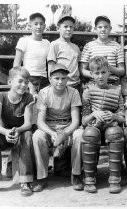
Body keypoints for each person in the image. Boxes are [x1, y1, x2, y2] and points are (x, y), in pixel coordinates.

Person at [32, 63, 83, 192]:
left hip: (67, 126)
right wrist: (51, 133)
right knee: (37, 136)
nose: (60, 81)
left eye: (63, 78)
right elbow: (40, 121)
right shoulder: (44, 93)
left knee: (80, 135)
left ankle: (76, 175)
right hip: (49, 126)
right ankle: (41, 177)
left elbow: (76, 120)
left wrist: (65, 133)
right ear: (50, 79)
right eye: (57, 78)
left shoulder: (73, 92)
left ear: (67, 79)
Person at [81, 56, 124, 194]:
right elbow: (84, 120)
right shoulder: (87, 91)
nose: (100, 76)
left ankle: (115, 178)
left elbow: (123, 117)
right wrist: (94, 114)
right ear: (92, 74)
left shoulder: (117, 90)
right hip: (94, 125)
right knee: (90, 134)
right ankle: (89, 178)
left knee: (115, 133)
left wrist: (114, 116)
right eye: (97, 73)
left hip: (111, 125)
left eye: (103, 72)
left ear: (109, 73)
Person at [0, 67, 35, 196]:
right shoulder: (2, 97)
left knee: (28, 135)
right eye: (20, 81)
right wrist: (5, 132)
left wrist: (18, 130)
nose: (24, 85)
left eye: (26, 82)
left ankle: (25, 181)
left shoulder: (28, 98)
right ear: (9, 82)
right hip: (3, 133)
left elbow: (27, 123)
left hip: (20, 132)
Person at [80, 15, 125, 87]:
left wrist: (108, 67)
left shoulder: (117, 46)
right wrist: (98, 76)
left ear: (110, 28)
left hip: (112, 84)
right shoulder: (88, 46)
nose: (103, 29)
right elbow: (82, 70)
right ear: (95, 29)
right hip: (93, 84)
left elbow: (122, 71)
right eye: (100, 27)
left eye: (106, 27)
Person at [13, 12, 50, 96]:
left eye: (41, 24)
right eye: (35, 24)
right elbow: (16, 64)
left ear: (44, 26)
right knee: (28, 105)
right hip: (28, 78)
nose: (39, 27)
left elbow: (50, 63)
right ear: (30, 25)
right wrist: (27, 83)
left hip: (43, 79)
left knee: (42, 106)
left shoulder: (47, 43)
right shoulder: (24, 40)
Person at [47, 13, 81, 93]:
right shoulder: (55, 44)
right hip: (61, 85)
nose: (68, 29)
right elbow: (51, 67)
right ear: (59, 28)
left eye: (71, 27)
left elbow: (78, 66)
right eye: (65, 26)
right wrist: (53, 85)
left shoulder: (76, 47)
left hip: (76, 85)